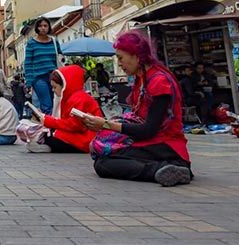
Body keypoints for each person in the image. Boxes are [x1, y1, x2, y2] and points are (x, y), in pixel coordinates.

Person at [81, 31, 192, 187]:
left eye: (121, 58)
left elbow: (149, 129)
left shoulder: (158, 81)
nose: (119, 64)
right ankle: (165, 168)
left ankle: (162, 169)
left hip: (166, 145)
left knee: (104, 163)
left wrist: (106, 124)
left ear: (136, 56)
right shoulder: (142, 79)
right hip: (151, 141)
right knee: (103, 159)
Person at [28, 65, 103, 153]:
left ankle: (45, 144)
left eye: (55, 87)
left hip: (87, 138)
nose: (53, 90)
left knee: (53, 136)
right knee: (51, 134)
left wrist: (47, 120)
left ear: (64, 85)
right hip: (86, 135)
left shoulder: (78, 99)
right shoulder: (73, 97)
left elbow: (74, 125)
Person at [23, 17, 60, 115]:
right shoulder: (31, 43)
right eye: (40, 26)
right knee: (47, 104)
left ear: (49, 27)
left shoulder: (54, 41)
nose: (43, 28)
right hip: (39, 78)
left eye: (45, 26)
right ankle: (50, 123)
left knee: (56, 102)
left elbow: (60, 57)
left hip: (54, 77)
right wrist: (29, 82)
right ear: (36, 28)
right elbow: (28, 63)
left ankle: (55, 121)